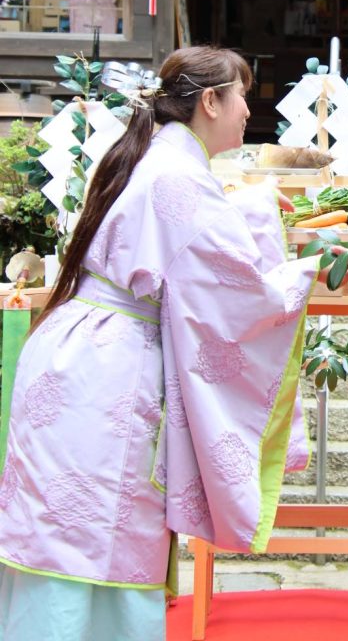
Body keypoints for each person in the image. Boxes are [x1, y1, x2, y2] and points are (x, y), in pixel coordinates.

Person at [0, 46, 321, 641]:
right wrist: (308, 271)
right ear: (210, 101)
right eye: (242, 95)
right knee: (94, 536)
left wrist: (253, 208)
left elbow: (191, 237)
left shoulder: (161, 160)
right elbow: (238, 293)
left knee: (64, 534)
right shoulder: (177, 174)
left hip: (84, 353)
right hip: (106, 373)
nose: (249, 109)